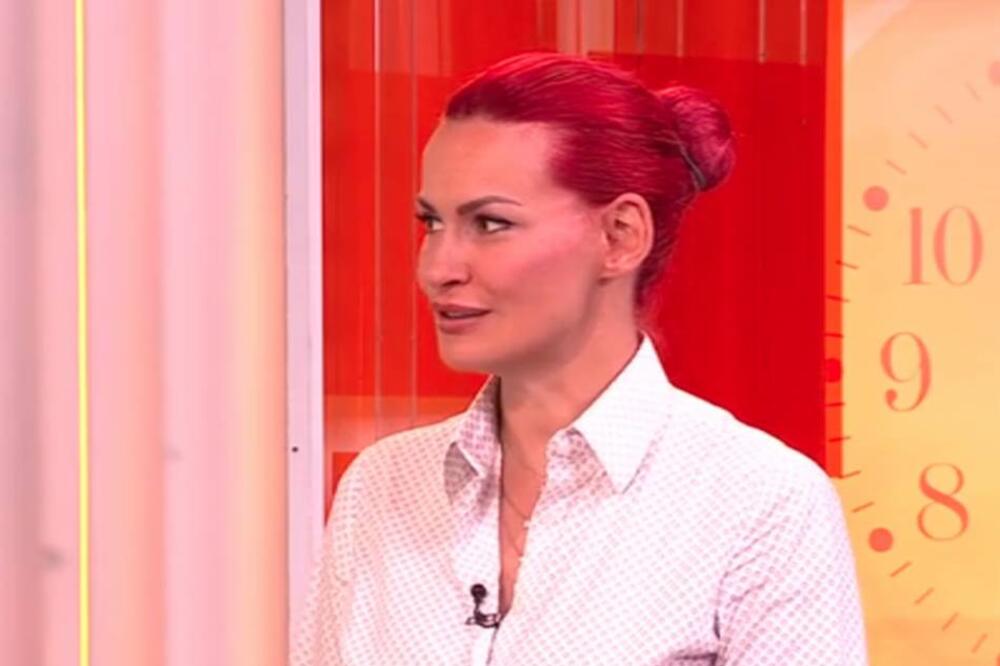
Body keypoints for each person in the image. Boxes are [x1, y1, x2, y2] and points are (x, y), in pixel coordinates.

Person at [292, 51, 867, 665]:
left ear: (620, 236)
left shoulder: (757, 501)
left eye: (490, 223)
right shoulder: (383, 485)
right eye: (431, 223)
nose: (438, 268)